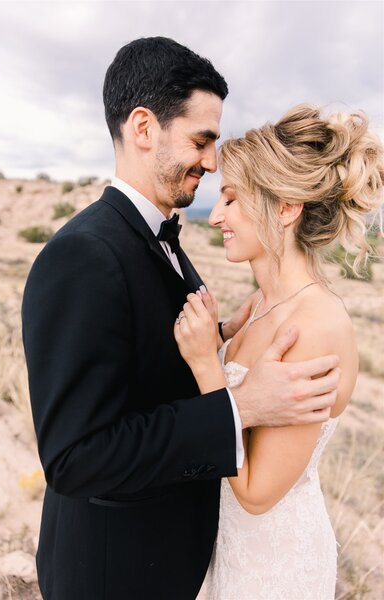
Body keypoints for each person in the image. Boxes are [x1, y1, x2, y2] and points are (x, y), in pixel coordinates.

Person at [22, 39, 340, 600]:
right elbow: (75, 458)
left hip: (174, 563)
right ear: (143, 128)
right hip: (111, 575)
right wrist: (241, 405)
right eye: (202, 140)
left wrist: (218, 340)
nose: (212, 161)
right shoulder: (85, 255)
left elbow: (137, 358)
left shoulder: (159, 241)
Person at [174, 104, 383, 600]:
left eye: (231, 199)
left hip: (274, 567)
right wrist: (220, 339)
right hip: (231, 550)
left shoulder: (315, 326)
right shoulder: (264, 305)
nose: (216, 216)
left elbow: (256, 492)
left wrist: (207, 362)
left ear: (286, 208)